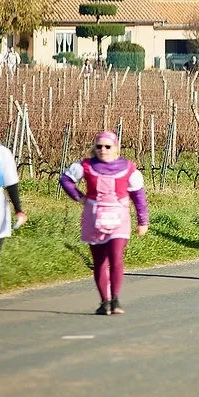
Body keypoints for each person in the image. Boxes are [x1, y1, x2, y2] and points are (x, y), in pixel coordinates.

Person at [59, 131, 149, 315]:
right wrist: (80, 197)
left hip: (119, 217)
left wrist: (143, 220)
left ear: (116, 148)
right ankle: (104, 301)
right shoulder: (85, 166)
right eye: (99, 146)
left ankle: (115, 299)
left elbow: (138, 195)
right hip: (94, 217)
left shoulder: (128, 168)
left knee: (115, 256)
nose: (103, 150)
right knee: (99, 261)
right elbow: (66, 179)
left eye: (108, 146)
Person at [0, 119, 26, 327]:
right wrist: (19, 210)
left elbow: (11, 183)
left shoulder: (1, 153)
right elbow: (12, 183)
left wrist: (19, 209)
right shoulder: (1, 152)